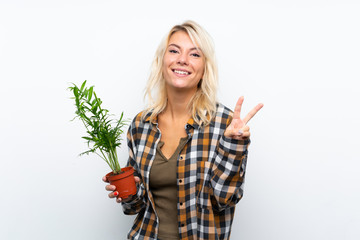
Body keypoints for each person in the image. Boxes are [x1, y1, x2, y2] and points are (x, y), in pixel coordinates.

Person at [103, 20, 263, 240]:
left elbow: (223, 200)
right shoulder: (141, 124)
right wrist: (127, 192)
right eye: (174, 50)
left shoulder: (226, 124)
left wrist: (233, 145)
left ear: (205, 68)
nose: (182, 60)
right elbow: (136, 207)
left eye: (195, 54)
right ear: (162, 61)